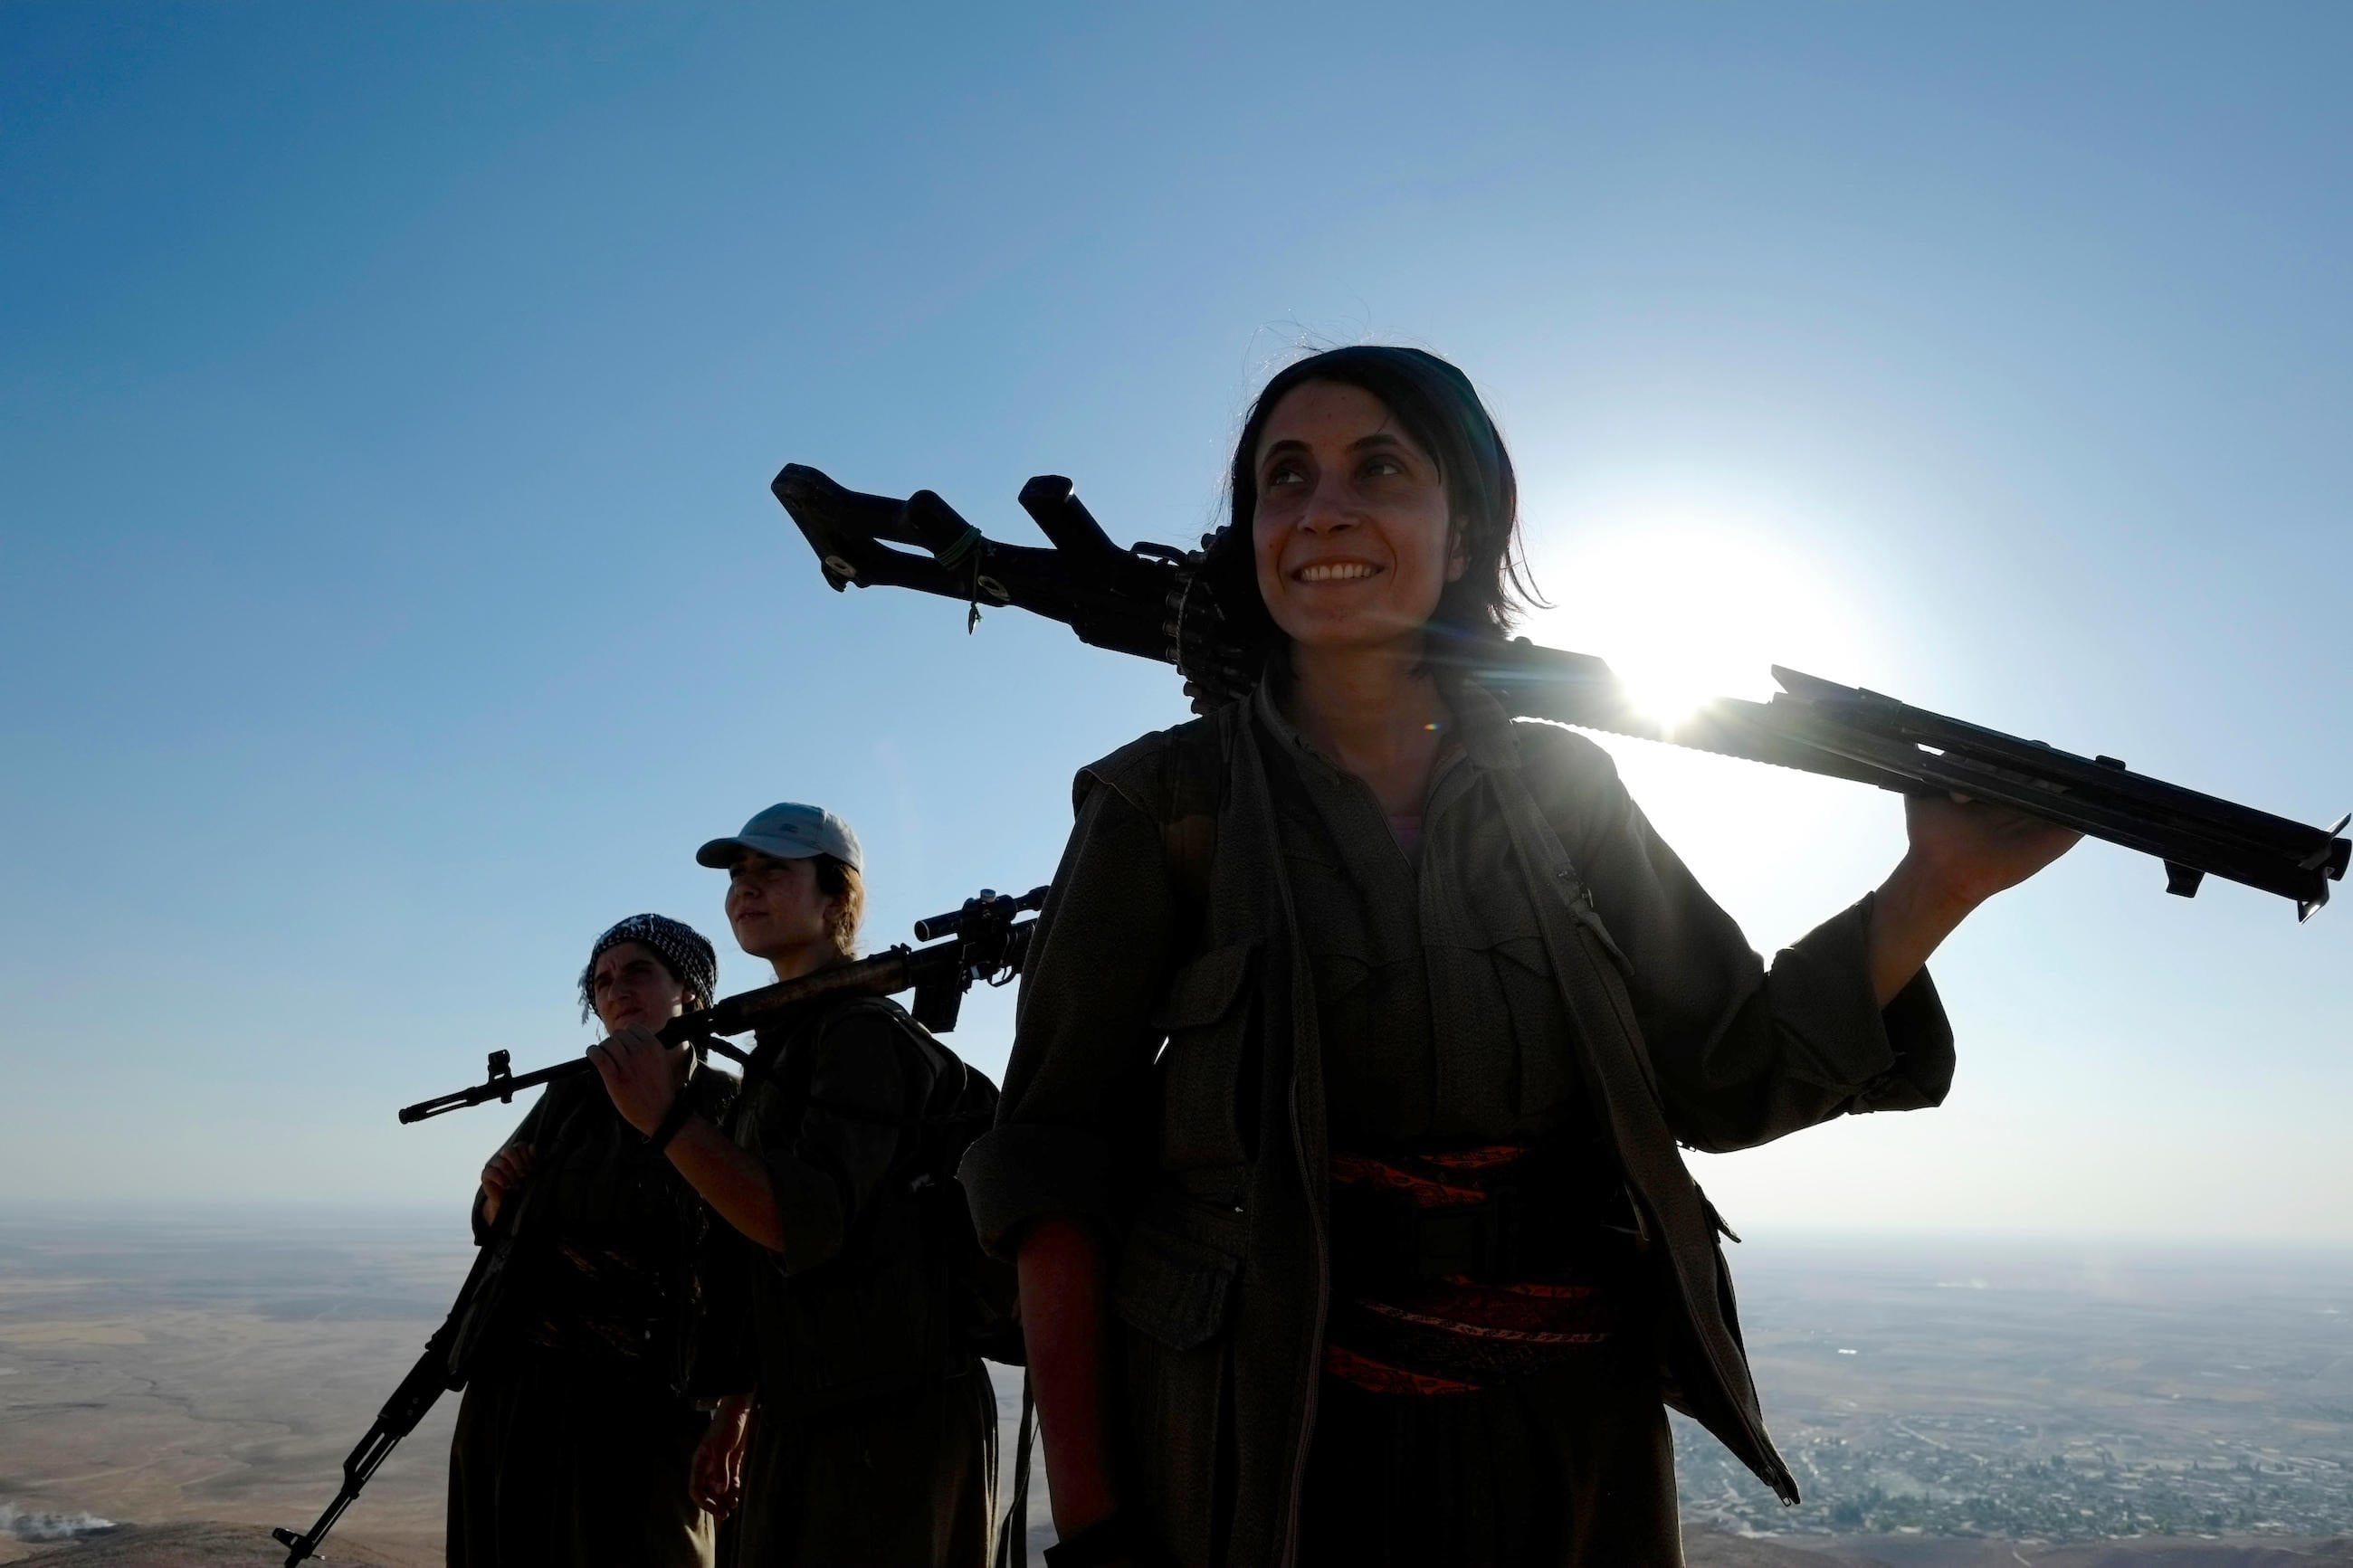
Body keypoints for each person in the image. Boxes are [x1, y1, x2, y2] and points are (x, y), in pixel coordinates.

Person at [959, 345, 2080, 1568]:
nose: (1323, 506)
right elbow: (1052, 1176)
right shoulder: (1161, 806)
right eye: (1285, 478)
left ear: (1461, 533)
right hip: (1263, 1464)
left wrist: (1939, 884)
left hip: (1563, 1455)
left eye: (1378, 466)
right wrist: (1101, 1530)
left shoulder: (1569, 792)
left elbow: (1724, 1075)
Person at [588, 802, 998, 1567]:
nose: (746, 887)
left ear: (837, 897)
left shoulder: (863, 1036)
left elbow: (797, 1221)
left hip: (891, 1428)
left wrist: (666, 1119)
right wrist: (738, 1403)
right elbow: (764, 1262)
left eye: (773, 869)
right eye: (739, 874)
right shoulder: (789, 1042)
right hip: (810, 1411)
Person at [446, 912, 734, 1568]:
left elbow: (753, 1268)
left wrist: (736, 1411)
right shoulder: (573, 1093)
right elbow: (490, 1224)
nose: (617, 989)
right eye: (602, 981)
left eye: (639, 971)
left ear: (687, 987)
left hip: (652, 1408)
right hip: (521, 1394)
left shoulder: (725, 1103)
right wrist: (496, 1193)